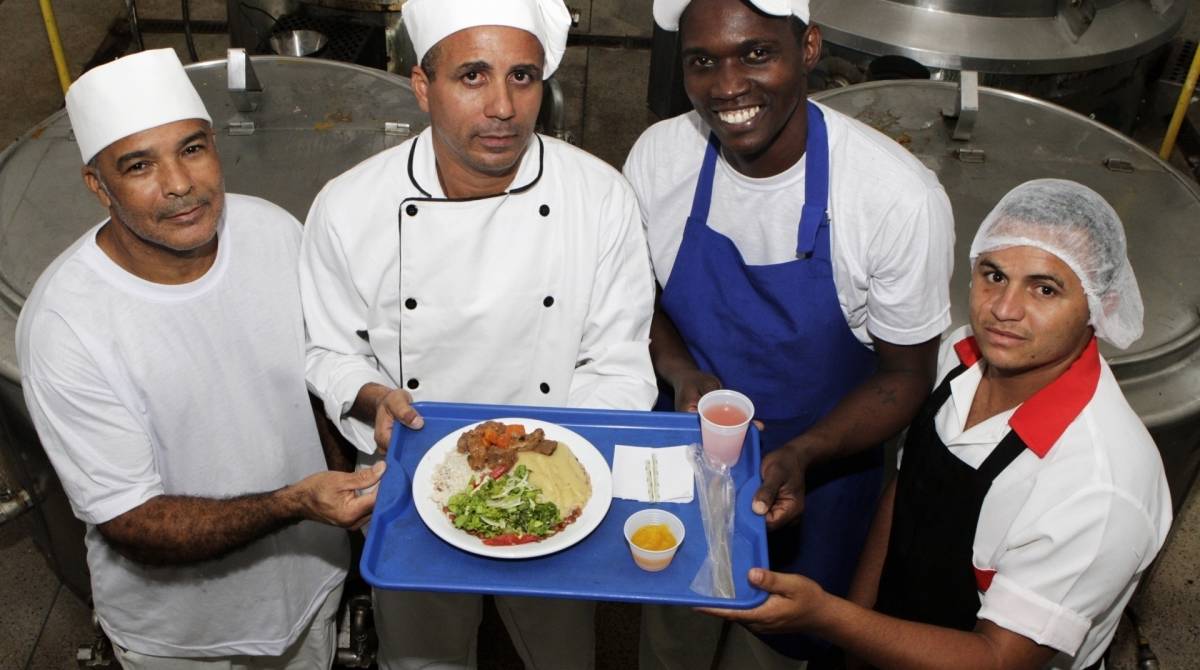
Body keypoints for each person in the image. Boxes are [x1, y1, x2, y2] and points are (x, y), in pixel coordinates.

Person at [298, 0, 658, 667]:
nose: (502, 106)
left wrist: (557, 476)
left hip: (555, 480)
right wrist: (372, 400)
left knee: (563, 656)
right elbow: (328, 350)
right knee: (422, 658)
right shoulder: (349, 208)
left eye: (522, 77)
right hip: (410, 482)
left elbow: (618, 359)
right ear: (421, 86)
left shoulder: (598, 198)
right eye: (472, 76)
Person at [704, 179, 1173, 670]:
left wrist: (827, 617)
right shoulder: (960, 356)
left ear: (1103, 305)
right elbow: (906, 494)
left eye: (1045, 288)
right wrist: (854, 637)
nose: (1004, 310)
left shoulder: (1100, 489)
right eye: (993, 275)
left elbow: (998, 659)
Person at [16, 49, 383, 668]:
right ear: (97, 185)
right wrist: (296, 502)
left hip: (310, 586)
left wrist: (345, 484)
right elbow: (132, 522)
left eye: (191, 149)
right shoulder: (66, 325)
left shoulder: (274, 234)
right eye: (139, 166)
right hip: (184, 636)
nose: (180, 184)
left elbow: (309, 384)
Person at [623, 0, 955, 665]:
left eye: (755, 54)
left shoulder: (892, 198)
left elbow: (906, 376)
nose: (726, 86)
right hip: (688, 463)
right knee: (673, 631)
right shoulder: (662, 158)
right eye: (701, 61)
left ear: (808, 47)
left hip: (823, 474)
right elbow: (640, 298)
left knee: (777, 647)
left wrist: (802, 454)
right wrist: (682, 370)